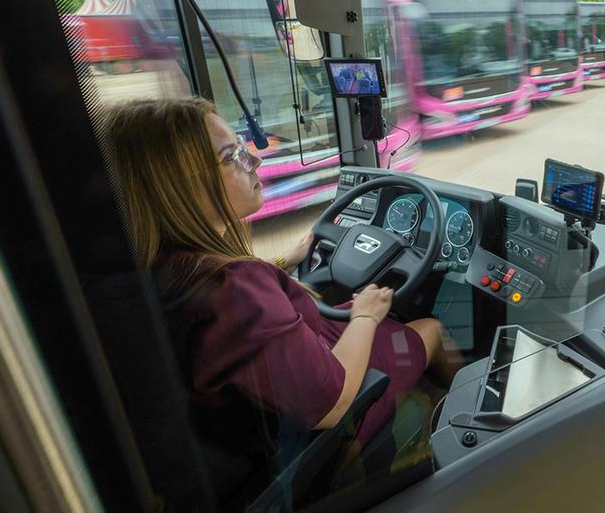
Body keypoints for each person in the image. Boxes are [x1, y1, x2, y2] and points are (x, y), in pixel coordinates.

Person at [100, 97, 453, 497]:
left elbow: (241, 308)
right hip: (323, 423)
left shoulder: (162, 267)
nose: (256, 162)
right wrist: (366, 317)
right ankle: (463, 432)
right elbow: (334, 403)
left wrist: (286, 260)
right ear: (177, 183)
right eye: (232, 155)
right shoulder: (235, 288)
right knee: (430, 328)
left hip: (269, 410)